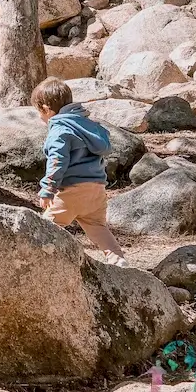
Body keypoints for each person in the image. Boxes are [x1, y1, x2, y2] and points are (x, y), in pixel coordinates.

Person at [31, 77, 128, 267]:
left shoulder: (59, 129)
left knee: (47, 227)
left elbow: (57, 160)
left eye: (39, 112)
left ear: (46, 108)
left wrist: (48, 188)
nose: (40, 117)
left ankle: (41, 264)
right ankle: (118, 260)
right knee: (98, 227)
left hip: (71, 191)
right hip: (96, 189)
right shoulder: (87, 125)